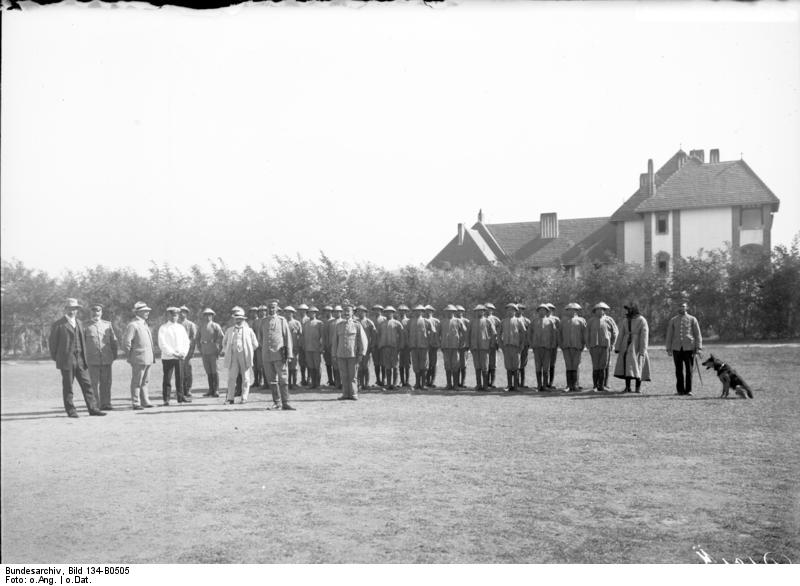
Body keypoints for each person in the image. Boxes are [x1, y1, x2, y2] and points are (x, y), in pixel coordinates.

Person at [49, 298, 106, 418]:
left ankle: (93, 409)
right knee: (68, 387)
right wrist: (60, 359)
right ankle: (71, 411)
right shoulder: (58, 324)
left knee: (88, 385)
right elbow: (53, 345)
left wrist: (82, 357)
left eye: (75, 309)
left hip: (81, 360)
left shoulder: (80, 323)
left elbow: (83, 341)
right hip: (66, 361)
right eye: (70, 308)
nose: (73, 311)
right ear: (66, 309)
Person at [260, 299, 295, 410]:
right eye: (269, 307)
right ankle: (277, 402)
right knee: (272, 380)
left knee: (283, 379)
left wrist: (289, 354)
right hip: (267, 355)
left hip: (280, 355)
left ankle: (286, 402)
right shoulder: (264, 321)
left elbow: (287, 337)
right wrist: (265, 348)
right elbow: (260, 338)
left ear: (277, 308)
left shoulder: (281, 320)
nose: (271, 309)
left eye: (273, 307)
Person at [83, 303, 118, 411]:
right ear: (90, 313)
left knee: (106, 383)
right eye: (94, 311)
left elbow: (114, 342)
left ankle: (106, 403)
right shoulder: (84, 326)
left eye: (98, 311)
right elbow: (81, 343)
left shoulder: (107, 325)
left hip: (106, 359)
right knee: (93, 384)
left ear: (101, 313)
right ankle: (95, 405)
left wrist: (113, 356)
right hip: (91, 360)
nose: (96, 313)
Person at [219, 308, 258, 404]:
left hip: (244, 356)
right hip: (233, 356)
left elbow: (255, 344)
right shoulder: (229, 330)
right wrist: (228, 350)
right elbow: (224, 343)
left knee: (246, 377)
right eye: (237, 318)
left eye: (240, 318)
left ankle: (244, 397)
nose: (238, 320)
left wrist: (248, 351)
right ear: (234, 319)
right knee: (232, 377)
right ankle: (230, 398)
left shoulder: (249, 330)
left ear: (243, 319)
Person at [122, 301, 156, 410]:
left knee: (145, 381)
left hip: (148, 358)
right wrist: (131, 356)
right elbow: (126, 342)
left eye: (147, 311)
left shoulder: (144, 324)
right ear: (138, 312)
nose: (147, 313)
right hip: (138, 358)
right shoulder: (133, 325)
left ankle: (145, 401)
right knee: (137, 381)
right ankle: (136, 402)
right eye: (145, 311)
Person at [332, 301, 369, 400]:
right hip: (341, 354)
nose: (346, 313)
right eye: (344, 311)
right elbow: (335, 341)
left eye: (348, 311)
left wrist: (361, 353)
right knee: (343, 375)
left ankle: (353, 394)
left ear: (353, 313)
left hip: (353, 354)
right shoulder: (339, 325)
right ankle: (345, 394)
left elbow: (363, 340)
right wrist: (334, 354)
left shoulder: (357, 325)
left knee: (353, 376)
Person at [665, 301, 703, 396]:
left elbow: (698, 335)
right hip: (676, 348)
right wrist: (668, 348)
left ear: (687, 308)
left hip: (689, 348)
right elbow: (669, 335)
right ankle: (680, 390)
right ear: (678, 308)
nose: (681, 308)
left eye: (683, 306)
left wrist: (698, 347)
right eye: (680, 306)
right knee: (678, 370)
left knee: (689, 370)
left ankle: (688, 390)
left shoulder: (692, 319)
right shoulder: (673, 320)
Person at [614, 303, 651, 393]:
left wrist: (643, 350)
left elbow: (644, 336)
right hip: (625, 345)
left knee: (639, 365)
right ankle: (627, 387)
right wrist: (617, 347)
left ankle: (637, 388)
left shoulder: (642, 320)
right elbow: (621, 334)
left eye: (628, 309)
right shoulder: (625, 320)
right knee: (627, 366)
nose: (627, 311)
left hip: (637, 346)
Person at [158, 307, 191, 405]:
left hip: (180, 357)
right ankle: (166, 399)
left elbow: (186, 342)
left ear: (178, 316)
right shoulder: (163, 328)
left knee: (180, 378)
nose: (174, 317)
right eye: (172, 315)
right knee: (167, 378)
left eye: (176, 315)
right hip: (168, 357)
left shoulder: (181, 327)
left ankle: (180, 397)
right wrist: (173, 353)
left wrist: (184, 353)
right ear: (168, 315)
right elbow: (162, 343)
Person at [587, 302, 618, 392]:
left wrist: (613, 344)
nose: (600, 311)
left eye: (602, 309)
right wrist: (588, 344)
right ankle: (595, 386)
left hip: (605, 346)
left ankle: (602, 386)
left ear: (604, 311)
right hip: (594, 346)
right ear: (595, 311)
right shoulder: (591, 321)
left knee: (603, 366)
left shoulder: (609, 320)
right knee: (595, 366)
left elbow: (615, 332)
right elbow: (586, 333)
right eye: (598, 309)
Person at [468, 304, 497, 391]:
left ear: (484, 311)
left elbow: (494, 333)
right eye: (477, 311)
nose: (479, 312)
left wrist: (492, 344)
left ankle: (485, 385)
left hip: (484, 347)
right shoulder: (472, 322)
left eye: (481, 310)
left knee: (485, 366)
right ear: (475, 312)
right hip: (475, 347)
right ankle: (478, 385)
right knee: (477, 366)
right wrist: (470, 345)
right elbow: (468, 334)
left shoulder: (488, 321)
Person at [196, 308, 224, 397]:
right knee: (208, 371)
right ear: (203, 316)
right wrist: (200, 349)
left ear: (212, 316)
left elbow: (222, 338)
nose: (208, 317)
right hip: (204, 351)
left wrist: (219, 350)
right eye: (206, 315)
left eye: (210, 315)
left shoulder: (215, 326)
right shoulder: (201, 326)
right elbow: (197, 338)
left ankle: (216, 390)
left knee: (215, 371)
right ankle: (210, 390)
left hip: (213, 351)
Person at [499, 303, 527, 392]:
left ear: (515, 311)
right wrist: (501, 345)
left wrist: (522, 345)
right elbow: (499, 334)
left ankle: (515, 386)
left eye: (512, 310)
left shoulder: (519, 321)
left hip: (516, 347)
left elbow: (523, 333)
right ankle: (509, 385)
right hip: (506, 346)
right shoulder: (503, 321)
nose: (510, 311)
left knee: (516, 366)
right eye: (508, 310)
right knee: (508, 366)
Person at [529, 303, 557, 391]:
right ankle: (539, 385)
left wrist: (552, 345)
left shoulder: (550, 322)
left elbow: (554, 334)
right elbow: (529, 333)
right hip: (537, 347)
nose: (542, 312)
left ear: (546, 312)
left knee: (546, 367)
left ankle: (545, 386)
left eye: (544, 310)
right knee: (538, 366)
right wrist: (531, 344)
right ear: (538, 311)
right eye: (540, 310)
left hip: (547, 347)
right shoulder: (534, 321)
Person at [560, 303, 587, 392]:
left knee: (576, 365)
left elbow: (584, 334)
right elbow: (559, 334)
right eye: (569, 310)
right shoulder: (563, 321)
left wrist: (583, 344)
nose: (572, 311)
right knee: (568, 365)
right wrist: (561, 344)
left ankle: (575, 385)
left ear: (576, 311)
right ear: (567, 311)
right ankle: (568, 385)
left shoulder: (581, 320)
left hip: (577, 346)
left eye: (574, 309)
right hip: (566, 346)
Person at [406, 304, 432, 390]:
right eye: (416, 311)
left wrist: (429, 343)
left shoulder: (426, 321)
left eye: (420, 310)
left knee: (424, 366)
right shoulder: (410, 322)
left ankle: (423, 384)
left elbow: (433, 333)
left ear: (422, 312)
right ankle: (417, 383)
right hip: (413, 347)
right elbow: (406, 333)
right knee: (416, 365)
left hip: (423, 347)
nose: (418, 312)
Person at [440, 304, 466, 390]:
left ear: (454, 312)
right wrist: (441, 343)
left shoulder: (458, 321)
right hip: (445, 347)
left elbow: (464, 332)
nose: (449, 313)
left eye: (451, 311)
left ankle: (455, 385)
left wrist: (462, 343)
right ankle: (448, 384)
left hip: (455, 346)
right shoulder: (442, 321)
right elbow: (438, 334)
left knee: (455, 365)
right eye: (447, 311)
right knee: (447, 365)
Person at [378, 305, 404, 390]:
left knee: (395, 366)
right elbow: (379, 335)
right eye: (386, 312)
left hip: (394, 348)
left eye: (390, 312)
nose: (388, 313)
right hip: (385, 348)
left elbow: (402, 335)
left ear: (393, 313)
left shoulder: (397, 323)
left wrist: (400, 345)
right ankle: (388, 384)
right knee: (387, 366)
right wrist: (380, 345)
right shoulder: (382, 324)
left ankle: (395, 384)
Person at [302, 306, 324, 389]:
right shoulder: (305, 324)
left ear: (315, 313)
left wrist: (322, 347)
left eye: (313, 312)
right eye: (310, 313)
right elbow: (303, 336)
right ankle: (312, 383)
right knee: (310, 366)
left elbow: (322, 337)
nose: (311, 314)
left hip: (316, 348)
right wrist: (304, 345)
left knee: (317, 366)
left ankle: (318, 383)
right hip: (308, 348)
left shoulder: (319, 323)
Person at [178, 305, 198, 399]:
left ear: (186, 313)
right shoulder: (175, 324)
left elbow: (193, 339)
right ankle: (180, 390)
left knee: (187, 372)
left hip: (187, 351)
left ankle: (188, 390)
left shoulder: (190, 324)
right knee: (179, 372)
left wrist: (191, 352)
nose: (182, 314)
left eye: (184, 312)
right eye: (180, 312)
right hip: (178, 352)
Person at [356, 305, 377, 390]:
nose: (360, 313)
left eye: (362, 311)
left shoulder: (369, 322)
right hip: (357, 348)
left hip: (366, 348)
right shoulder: (355, 322)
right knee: (359, 366)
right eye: (359, 311)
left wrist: (372, 345)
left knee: (366, 366)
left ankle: (367, 383)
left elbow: (374, 335)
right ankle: (360, 383)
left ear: (365, 312)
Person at [283, 306, 303, 390]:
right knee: (285, 366)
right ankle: (287, 383)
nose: (288, 314)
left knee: (294, 367)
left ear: (293, 313)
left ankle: (294, 383)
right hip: (284, 348)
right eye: (287, 312)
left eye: (290, 312)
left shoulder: (297, 323)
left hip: (294, 348)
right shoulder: (283, 322)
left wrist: (298, 346)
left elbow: (301, 336)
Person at [484, 302, 502, 388]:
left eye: (490, 309)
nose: (488, 310)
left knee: (493, 363)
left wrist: (498, 342)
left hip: (493, 344)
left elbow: (500, 332)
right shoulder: (481, 319)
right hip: (484, 344)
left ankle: (493, 382)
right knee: (485, 363)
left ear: (492, 310)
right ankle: (486, 382)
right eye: (487, 309)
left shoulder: (496, 320)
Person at [424, 305, 441, 388]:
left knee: (434, 364)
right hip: (425, 345)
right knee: (426, 364)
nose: (428, 312)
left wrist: (438, 343)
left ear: (432, 312)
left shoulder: (436, 321)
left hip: (434, 345)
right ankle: (426, 380)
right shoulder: (423, 321)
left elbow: (439, 333)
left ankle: (432, 381)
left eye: (429, 311)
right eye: (426, 310)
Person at [516, 303, 532, 388]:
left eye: (521, 309)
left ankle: (522, 383)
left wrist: (529, 343)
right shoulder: (512, 320)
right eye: (517, 309)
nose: (519, 310)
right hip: (515, 345)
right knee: (515, 364)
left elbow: (529, 333)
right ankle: (515, 382)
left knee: (523, 363)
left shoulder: (527, 321)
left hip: (524, 345)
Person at [251, 304, 267, 388]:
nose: (262, 312)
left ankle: (264, 381)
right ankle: (256, 381)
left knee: (264, 364)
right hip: (256, 346)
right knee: (256, 364)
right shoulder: (255, 322)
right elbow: (252, 333)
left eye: (264, 310)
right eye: (260, 311)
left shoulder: (267, 320)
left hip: (264, 346)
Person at [546, 303, 561, 388]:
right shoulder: (540, 319)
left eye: (550, 309)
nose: (548, 310)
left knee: (552, 364)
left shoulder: (556, 319)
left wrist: (558, 343)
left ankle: (550, 382)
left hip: (553, 345)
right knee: (544, 365)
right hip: (543, 345)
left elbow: (559, 332)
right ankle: (544, 382)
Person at [328, 305, 343, 390]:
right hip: (332, 347)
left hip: (341, 347)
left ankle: (342, 382)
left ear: (341, 312)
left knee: (342, 365)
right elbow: (327, 335)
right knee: (335, 366)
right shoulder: (330, 323)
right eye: (335, 312)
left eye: (339, 311)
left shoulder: (343, 322)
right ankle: (337, 383)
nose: (337, 313)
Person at [397, 304, 412, 388]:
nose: (402, 312)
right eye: (400, 310)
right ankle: (401, 381)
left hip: (406, 346)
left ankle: (407, 381)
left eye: (404, 311)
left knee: (407, 364)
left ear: (406, 312)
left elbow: (411, 333)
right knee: (400, 364)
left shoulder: (409, 321)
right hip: (398, 346)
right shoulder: (396, 320)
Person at [371, 304, 386, 386]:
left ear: (381, 310)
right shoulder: (371, 320)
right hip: (374, 344)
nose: (377, 311)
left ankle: (384, 379)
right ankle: (378, 380)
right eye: (375, 310)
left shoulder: (384, 319)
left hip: (382, 345)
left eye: (378, 309)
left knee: (383, 363)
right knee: (376, 363)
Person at [320, 305, 335, 387]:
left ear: (331, 312)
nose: (327, 312)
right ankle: (330, 380)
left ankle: (337, 380)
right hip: (326, 346)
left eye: (329, 311)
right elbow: (322, 335)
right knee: (328, 364)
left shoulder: (334, 321)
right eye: (325, 311)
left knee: (335, 364)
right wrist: (323, 346)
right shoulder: (323, 322)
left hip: (333, 346)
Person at [455, 305, 469, 388]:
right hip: (455, 346)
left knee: (463, 365)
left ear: (463, 312)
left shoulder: (466, 321)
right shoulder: (454, 320)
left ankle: (463, 382)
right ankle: (456, 383)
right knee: (456, 364)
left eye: (460, 311)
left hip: (464, 346)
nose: (459, 313)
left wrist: (468, 344)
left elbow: (469, 333)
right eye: (457, 311)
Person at [296, 303, 310, 386]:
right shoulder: (297, 320)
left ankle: (309, 378)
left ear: (306, 311)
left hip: (308, 344)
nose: (302, 312)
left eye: (303, 310)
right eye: (300, 310)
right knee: (301, 363)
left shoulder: (308, 320)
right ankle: (303, 378)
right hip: (299, 344)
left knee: (308, 362)